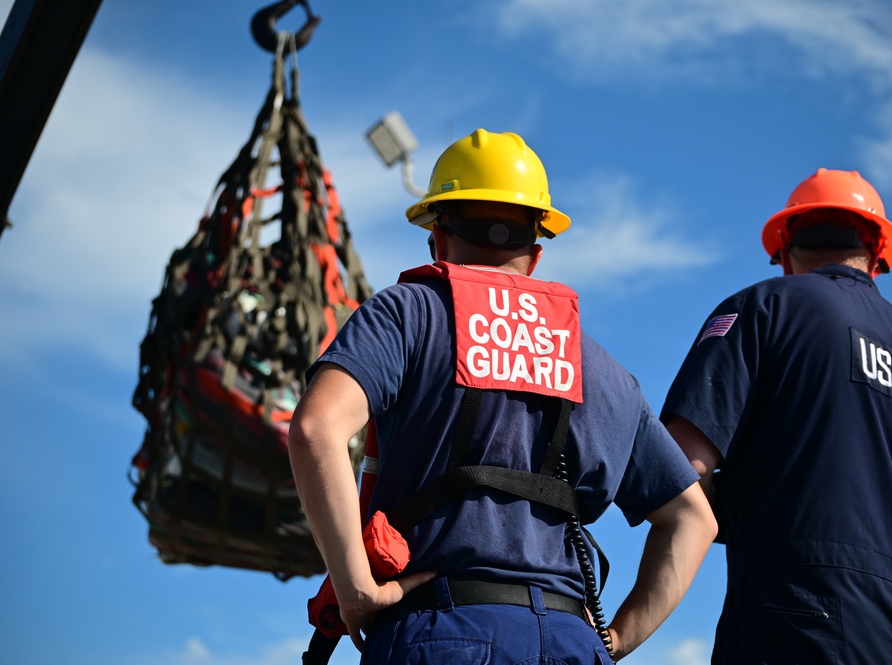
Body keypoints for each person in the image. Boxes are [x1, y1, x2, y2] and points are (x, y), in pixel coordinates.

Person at [289, 128, 717, 663]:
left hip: (443, 633)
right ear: (534, 255)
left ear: (438, 239)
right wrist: (616, 639)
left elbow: (314, 428)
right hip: (570, 644)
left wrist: (354, 589)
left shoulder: (408, 313)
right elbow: (692, 518)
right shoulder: (603, 370)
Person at [660, 168, 892, 664]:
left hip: (791, 622)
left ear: (785, 252)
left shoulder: (763, 307)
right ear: (877, 255)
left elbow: (683, 467)